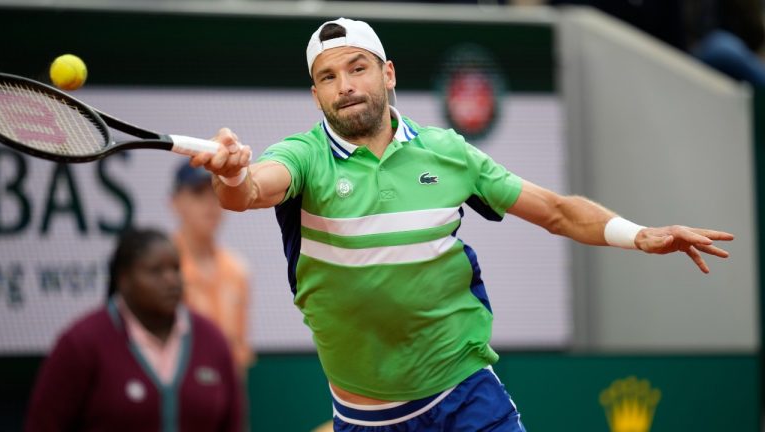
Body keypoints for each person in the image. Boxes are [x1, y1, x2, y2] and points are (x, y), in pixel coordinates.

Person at [188, 18, 734, 431]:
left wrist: (639, 235)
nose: (345, 85)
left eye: (357, 68)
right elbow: (250, 191)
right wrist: (232, 174)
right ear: (316, 95)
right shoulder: (304, 155)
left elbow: (558, 212)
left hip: (464, 388)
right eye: (328, 77)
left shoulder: (448, 152)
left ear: (388, 73)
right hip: (366, 413)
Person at [25, 228, 242, 432]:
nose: (171, 280)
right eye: (155, 271)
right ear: (124, 279)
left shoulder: (212, 340)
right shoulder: (82, 343)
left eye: (176, 269)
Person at [171, 160, 253, 378]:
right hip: (176, 393)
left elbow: (238, 354)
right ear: (175, 202)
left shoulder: (238, 270)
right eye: (198, 193)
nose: (210, 203)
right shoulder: (162, 268)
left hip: (224, 394)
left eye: (216, 192)